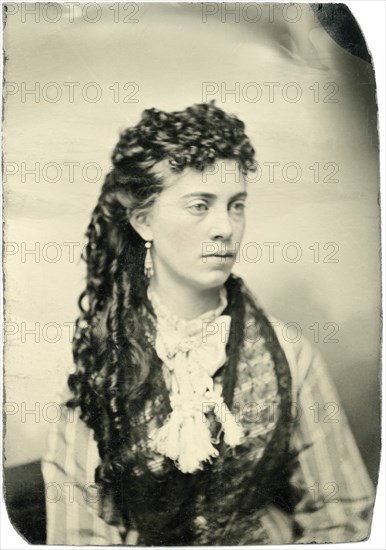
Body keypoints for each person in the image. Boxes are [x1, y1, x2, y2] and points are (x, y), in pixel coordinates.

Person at [41, 102, 375, 545]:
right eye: (200, 205)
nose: (225, 228)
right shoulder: (101, 363)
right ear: (144, 221)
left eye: (236, 206)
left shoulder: (288, 354)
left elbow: (344, 513)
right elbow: (79, 535)